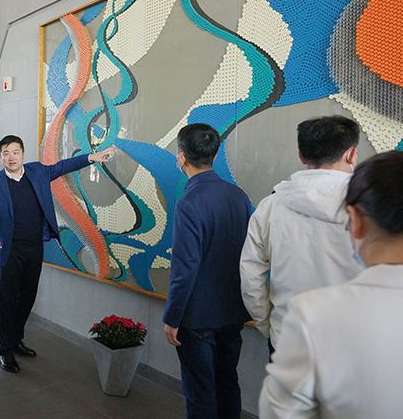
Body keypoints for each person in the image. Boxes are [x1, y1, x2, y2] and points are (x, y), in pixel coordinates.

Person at [259, 151, 403, 418]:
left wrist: (264, 323)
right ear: (351, 153)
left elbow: (281, 413)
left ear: (356, 220)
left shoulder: (311, 315)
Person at [0, 135, 113, 373]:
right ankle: (4, 349)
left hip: (34, 247)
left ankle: (16, 339)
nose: (11, 157)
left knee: (27, 297)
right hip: (10, 249)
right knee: (7, 301)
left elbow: (64, 166)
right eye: (6, 153)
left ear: (23, 154)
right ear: (1, 156)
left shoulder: (37, 172)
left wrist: (92, 157)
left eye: (16, 152)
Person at [240, 116, 363, 354]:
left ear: (301, 156)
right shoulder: (375, 209)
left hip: (288, 340)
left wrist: (268, 326)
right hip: (355, 349)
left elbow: (251, 277)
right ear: (351, 155)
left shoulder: (270, 206)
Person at [163, 123, 252, 419]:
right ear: (214, 155)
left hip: (197, 317)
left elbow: (185, 268)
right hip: (233, 311)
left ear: (181, 158)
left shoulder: (189, 202)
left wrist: (173, 317)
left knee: (200, 393)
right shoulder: (238, 195)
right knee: (227, 384)